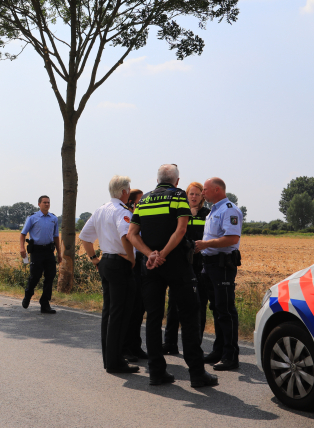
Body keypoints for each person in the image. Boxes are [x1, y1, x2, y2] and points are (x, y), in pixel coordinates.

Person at [127, 164, 218, 387]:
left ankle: (156, 373)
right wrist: (164, 254)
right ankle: (197, 374)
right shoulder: (178, 197)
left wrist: (151, 255)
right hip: (176, 264)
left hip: (150, 267)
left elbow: (132, 234)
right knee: (188, 317)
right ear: (177, 181)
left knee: (153, 318)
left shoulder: (144, 200)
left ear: (157, 180)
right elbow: (181, 230)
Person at [80, 176, 138, 374]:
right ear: (123, 191)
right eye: (128, 189)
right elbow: (126, 236)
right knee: (120, 314)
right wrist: (131, 259)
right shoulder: (122, 211)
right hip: (119, 263)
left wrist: (94, 259)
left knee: (109, 313)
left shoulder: (100, 209)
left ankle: (109, 358)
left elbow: (85, 237)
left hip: (105, 262)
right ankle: (116, 361)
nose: (129, 192)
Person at [195, 177, 242, 371]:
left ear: (216, 190)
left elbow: (231, 238)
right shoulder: (214, 210)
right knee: (216, 309)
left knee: (225, 310)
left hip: (222, 266)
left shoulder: (229, 209)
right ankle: (219, 350)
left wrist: (205, 244)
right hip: (210, 265)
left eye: (205, 190)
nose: (202, 193)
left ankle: (230, 355)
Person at [162, 182, 210, 354]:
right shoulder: (180, 212)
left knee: (199, 306)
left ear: (202, 197)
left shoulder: (207, 214)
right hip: (180, 264)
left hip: (200, 265)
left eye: (197, 194)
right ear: (187, 195)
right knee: (173, 305)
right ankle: (169, 343)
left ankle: (196, 344)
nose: (194, 197)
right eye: (191, 194)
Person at [20, 195, 62, 314]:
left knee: (50, 276)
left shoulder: (53, 218)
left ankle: (45, 303)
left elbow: (56, 237)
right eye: (44, 202)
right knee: (35, 276)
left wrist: (59, 253)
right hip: (37, 251)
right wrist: (22, 247)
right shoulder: (32, 218)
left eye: (48, 202)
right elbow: (23, 234)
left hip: (49, 251)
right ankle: (28, 295)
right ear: (39, 204)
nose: (47, 204)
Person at [122, 189, 148, 361]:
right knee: (129, 309)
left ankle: (135, 346)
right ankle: (125, 348)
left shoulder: (142, 217)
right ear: (131, 203)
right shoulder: (125, 217)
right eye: (139, 201)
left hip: (141, 264)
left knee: (139, 308)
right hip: (130, 264)